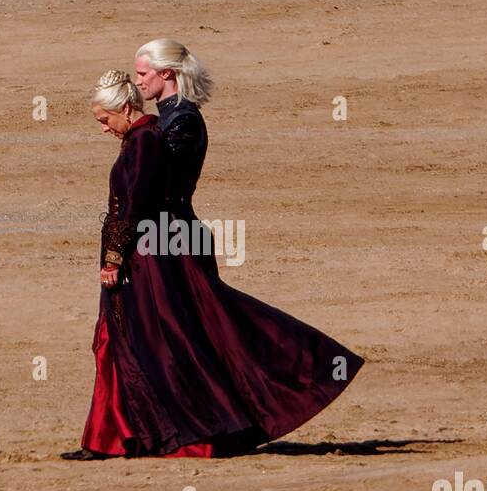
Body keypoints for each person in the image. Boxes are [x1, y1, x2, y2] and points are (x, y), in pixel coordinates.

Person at [64, 60, 364, 461]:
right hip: (151, 252)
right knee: (131, 341)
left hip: (148, 259)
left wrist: (114, 258)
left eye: (104, 119)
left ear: (125, 109)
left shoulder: (144, 141)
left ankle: (155, 434)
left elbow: (136, 204)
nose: (102, 128)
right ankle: (112, 437)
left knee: (162, 340)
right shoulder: (142, 138)